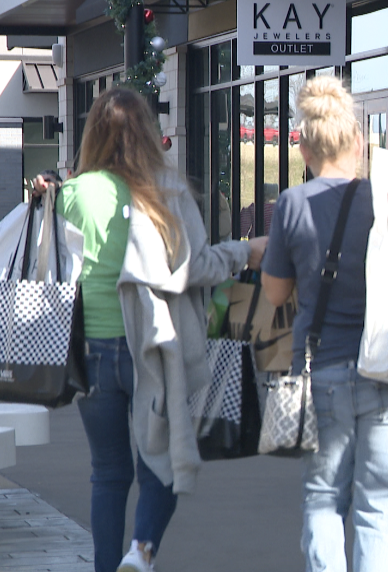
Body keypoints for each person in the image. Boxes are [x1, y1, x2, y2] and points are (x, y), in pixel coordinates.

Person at [56, 87, 267, 572]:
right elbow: (194, 268)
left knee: (107, 474)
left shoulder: (75, 193)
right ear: (148, 133)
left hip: (94, 350)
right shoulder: (167, 191)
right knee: (164, 460)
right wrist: (243, 251)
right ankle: (142, 549)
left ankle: (108, 565)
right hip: (157, 345)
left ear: (93, 135)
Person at [260, 76, 388, 572]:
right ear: (359, 142)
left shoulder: (293, 205)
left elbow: (276, 293)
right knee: (380, 505)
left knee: (323, 497)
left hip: (321, 370)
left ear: (303, 149)